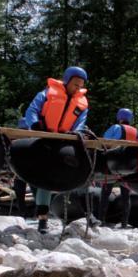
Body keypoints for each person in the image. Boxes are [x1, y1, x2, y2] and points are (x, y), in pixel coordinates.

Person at [24, 66, 89, 234]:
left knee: (50, 177)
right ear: (66, 81)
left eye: (80, 85)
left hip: (63, 141)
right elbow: (32, 110)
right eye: (75, 84)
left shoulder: (82, 103)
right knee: (40, 179)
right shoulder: (46, 94)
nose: (78, 88)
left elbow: (80, 123)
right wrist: (35, 125)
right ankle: (42, 218)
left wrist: (76, 134)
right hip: (42, 137)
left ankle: (50, 217)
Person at [98, 108, 138, 227]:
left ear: (119, 117)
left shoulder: (115, 128)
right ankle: (124, 223)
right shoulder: (136, 132)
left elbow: (104, 143)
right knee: (126, 196)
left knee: (105, 194)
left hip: (113, 165)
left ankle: (101, 221)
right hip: (128, 168)